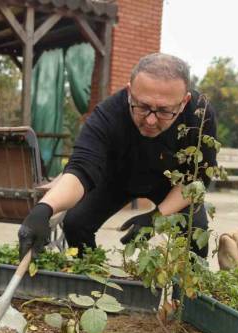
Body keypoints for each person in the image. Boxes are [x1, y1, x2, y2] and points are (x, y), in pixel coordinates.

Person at [18, 53, 217, 261]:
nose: (150, 120)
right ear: (130, 91)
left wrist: (156, 217)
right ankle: (92, 280)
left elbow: (196, 180)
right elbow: (81, 169)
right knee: (76, 224)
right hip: (117, 179)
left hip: (172, 184)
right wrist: (43, 210)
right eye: (142, 107)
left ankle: (185, 293)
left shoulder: (200, 115)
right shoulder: (107, 114)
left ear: (184, 102)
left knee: (195, 232)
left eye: (165, 111)